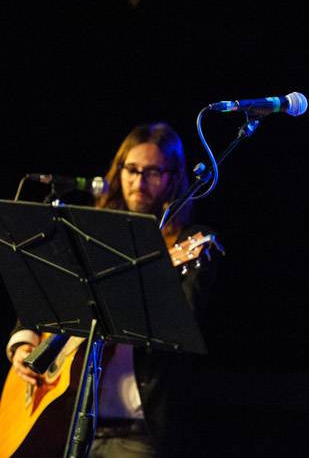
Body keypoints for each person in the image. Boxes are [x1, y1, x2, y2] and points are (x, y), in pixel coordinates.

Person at [5, 122, 220, 457]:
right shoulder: (93, 231)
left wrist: (144, 281)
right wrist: (24, 344)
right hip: (67, 419)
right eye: (131, 170)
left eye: (152, 172)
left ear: (174, 177)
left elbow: (184, 325)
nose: (138, 182)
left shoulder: (189, 241)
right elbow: (47, 290)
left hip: (138, 429)